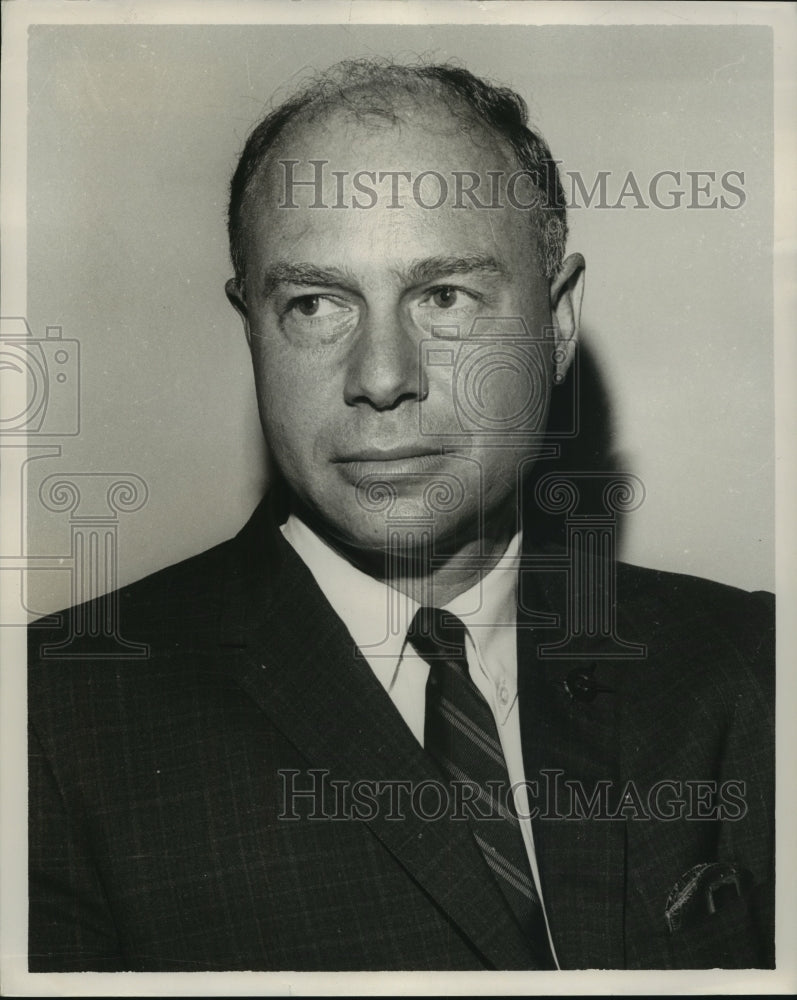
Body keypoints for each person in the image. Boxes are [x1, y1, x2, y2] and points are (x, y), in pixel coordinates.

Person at [28, 59, 774, 972]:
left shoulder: (750, 664)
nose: (381, 376)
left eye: (444, 297)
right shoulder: (48, 724)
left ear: (558, 319)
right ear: (252, 329)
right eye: (315, 303)